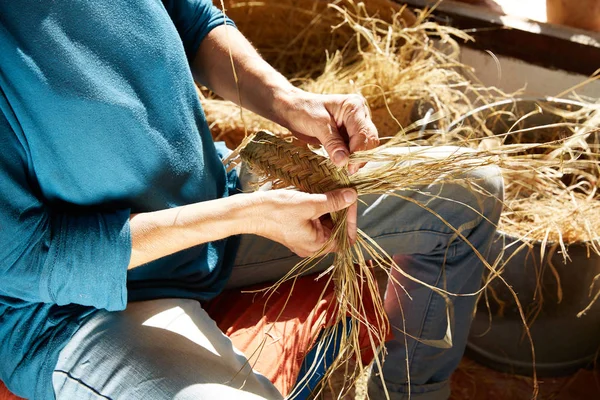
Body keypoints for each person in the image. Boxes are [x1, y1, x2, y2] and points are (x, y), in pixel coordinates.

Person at [0, 1, 503, 399]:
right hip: (78, 309)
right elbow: (30, 256)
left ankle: (406, 394)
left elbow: (190, 18)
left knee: (471, 189)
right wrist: (245, 215)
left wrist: (292, 104)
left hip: (212, 202)